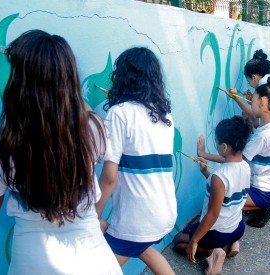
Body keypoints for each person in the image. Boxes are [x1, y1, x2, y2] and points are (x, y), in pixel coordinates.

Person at [0, 30, 122, 274]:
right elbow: (84, 112)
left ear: (17, 83)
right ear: (69, 80)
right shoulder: (93, 129)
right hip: (94, 258)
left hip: (32, 260)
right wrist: (63, 89)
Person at [95, 47, 177, 274]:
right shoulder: (165, 115)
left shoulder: (119, 113)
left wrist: (93, 216)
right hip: (164, 213)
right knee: (145, 249)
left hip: (138, 219)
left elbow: (109, 177)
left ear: (122, 77)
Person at [173, 116, 251, 275]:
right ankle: (230, 244)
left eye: (216, 142)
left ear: (224, 147)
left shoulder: (220, 176)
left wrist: (194, 241)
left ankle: (213, 252)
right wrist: (205, 172)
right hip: (237, 227)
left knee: (178, 242)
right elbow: (225, 192)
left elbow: (212, 214)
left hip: (219, 231)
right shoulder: (245, 166)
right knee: (205, 234)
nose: (216, 145)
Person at [198, 84, 270, 228]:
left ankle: (265, 205)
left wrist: (203, 154)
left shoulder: (262, 136)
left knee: (224, 202)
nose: (251, 103)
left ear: (262, 101)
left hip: (264, 190)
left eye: (253, 99)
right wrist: (237, 99)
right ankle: (263, 204)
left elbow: (234, 160)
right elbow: (254, 117)